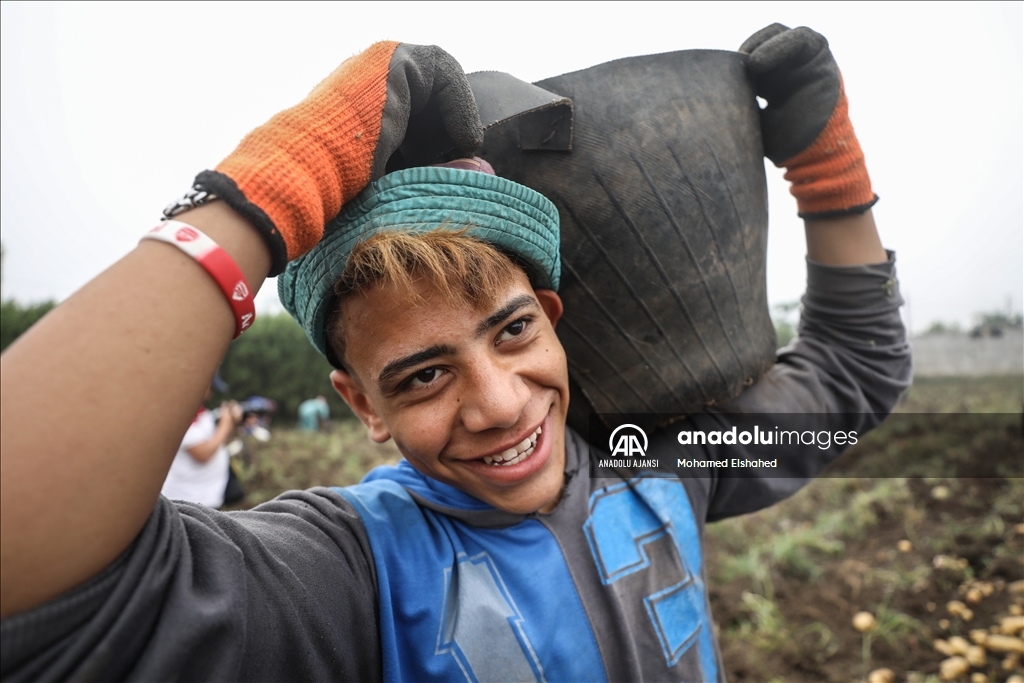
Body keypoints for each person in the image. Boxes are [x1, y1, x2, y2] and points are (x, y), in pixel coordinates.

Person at [0, 25, 910, 682]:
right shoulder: (349, 568)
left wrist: (830, 175)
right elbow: (44, 605)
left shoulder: (658, 467)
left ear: (551, 317)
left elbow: (851, 374)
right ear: (363, 403)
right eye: (424, 375)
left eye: (513, 331)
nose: (502, 405)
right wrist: (263, 195)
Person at [160, 394, 243, 508]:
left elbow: (216, 440)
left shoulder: (202, 412)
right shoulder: (182, 416)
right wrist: (225, 426)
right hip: (187, 501)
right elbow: (203, 454)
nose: (211, 391)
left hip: (205, 498)